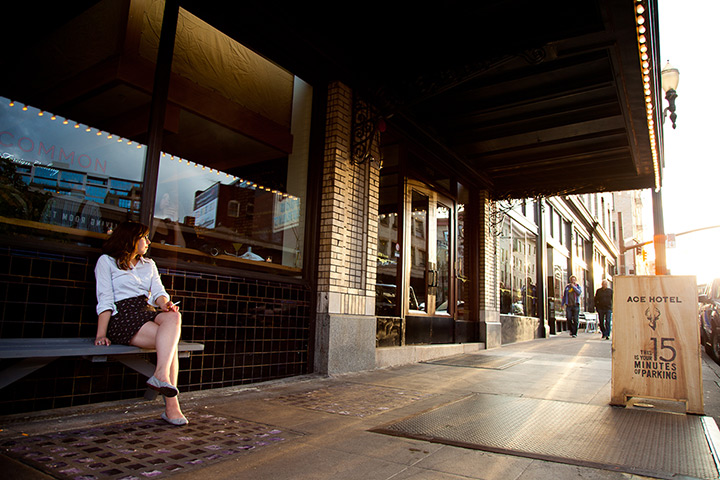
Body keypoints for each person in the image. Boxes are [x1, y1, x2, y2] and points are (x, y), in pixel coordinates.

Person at [94, 221, 187, 426]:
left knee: (174, 317)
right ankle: (172, 408)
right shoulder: (107, 262)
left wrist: (166, 304)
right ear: (130, 239)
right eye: (144, 237)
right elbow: (105, 299)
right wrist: (101, 334)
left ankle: (160, 375)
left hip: (147, 311)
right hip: (123, 316)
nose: (148, 241)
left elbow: (159, 293)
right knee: (169, 346)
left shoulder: (149, 264)